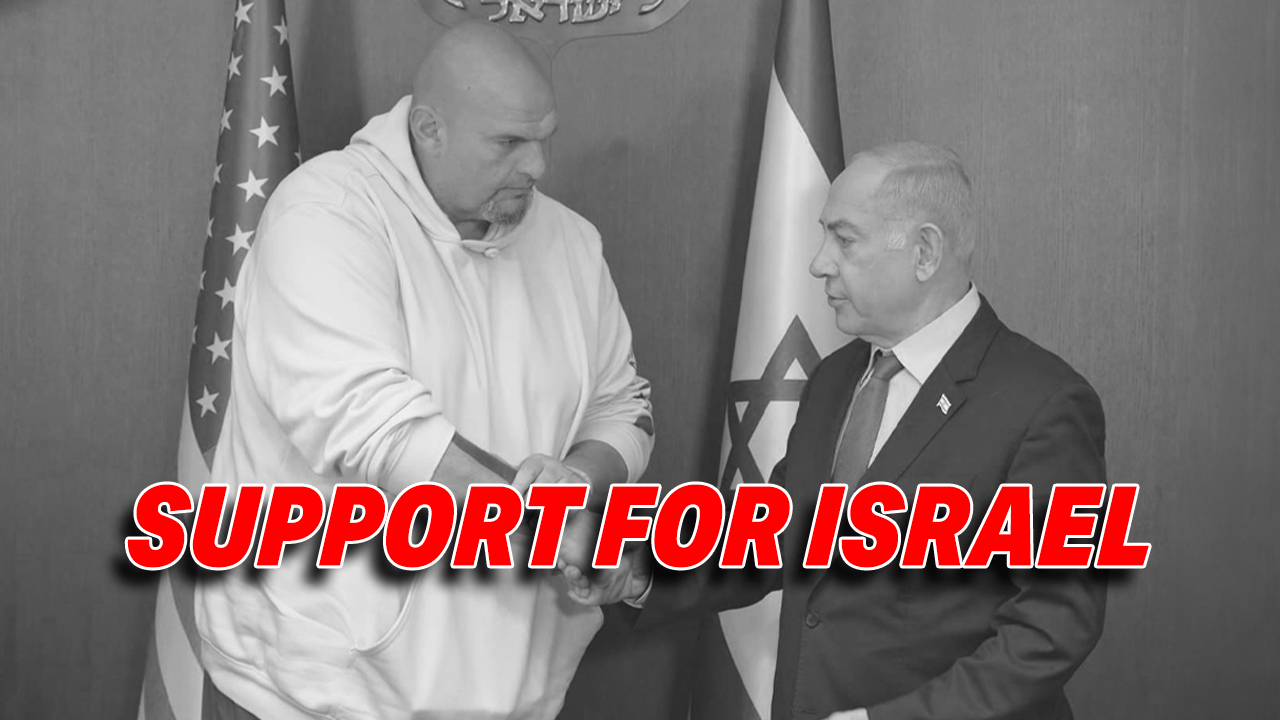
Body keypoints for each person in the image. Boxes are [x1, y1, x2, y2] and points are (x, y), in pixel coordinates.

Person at [196, 21, 655, 720]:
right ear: (429, 129)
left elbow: (624, 408)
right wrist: (560, 529)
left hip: (518, 691)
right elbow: (378, 430)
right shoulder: (325, 213)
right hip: (317, 696)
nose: (537, 165)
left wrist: (577, 480)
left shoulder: (571, 242)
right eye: (509, 143)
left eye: (545, 138)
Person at [566, 142, 1109, 720]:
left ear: (925, 252)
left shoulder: (1044, 403)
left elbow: (1051, 627)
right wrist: (644, 573)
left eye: (844, 240)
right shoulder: (835, 377)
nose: (818, 263)